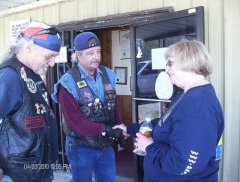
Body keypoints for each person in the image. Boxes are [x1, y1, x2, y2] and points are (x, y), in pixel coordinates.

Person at [114, 40, 224, 182]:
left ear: (188, 61)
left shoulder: (198, 108)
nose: (166, 69)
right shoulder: (186, 95)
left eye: (170, 63)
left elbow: (181, 164)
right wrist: (129, 129)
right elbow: (163, 124)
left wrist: (149, 146)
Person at [51, 31, 122, 182]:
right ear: (78, 55)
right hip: (80, 146)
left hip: (106, 145)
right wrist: (105, 130)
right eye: (90, 53)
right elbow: (74, 122)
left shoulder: (108, 74)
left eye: (98, 51)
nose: (96, 56)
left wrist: (119, 125)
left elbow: (114, 103)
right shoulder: (67, 82)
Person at [0, 21, 62, 182]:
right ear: (28, 48)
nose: (53, 63)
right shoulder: (9, 77)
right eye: (49, 56)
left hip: (37, 172)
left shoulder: (31, 74)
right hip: (16, 175)